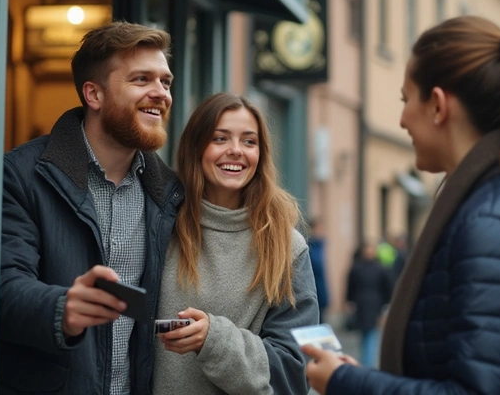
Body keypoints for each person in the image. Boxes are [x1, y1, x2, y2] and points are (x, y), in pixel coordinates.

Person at [303, 15, 500, 394]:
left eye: (405, 99)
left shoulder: (493, 225)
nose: (401, 120)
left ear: (437, 105)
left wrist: (346, 383)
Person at [0, 22, 184, 394]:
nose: (160, 93)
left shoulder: (172, 193)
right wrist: (62, 309)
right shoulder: (20, 175)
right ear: (93, 94)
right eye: (141, 79)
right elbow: (1, 287)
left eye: (165, 81)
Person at [152, 92, 319, 394]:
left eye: (249, 141)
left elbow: (296, 367)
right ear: (195, 148)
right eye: (220, 139)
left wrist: (214, 341)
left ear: (261, 154)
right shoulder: (159, 225)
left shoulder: (286, 246)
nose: (236, 151)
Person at [346, 243, 393, 368]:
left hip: (371, 305)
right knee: (367, 334)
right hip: (366, 305)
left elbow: (387, 289)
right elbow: (351, 287)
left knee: (370, 334)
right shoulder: (364, 268)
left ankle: (367, 363)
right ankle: (367, 363)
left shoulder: (375, 268)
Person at [307, 218, 330, 323]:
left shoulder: (320, 246)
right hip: (311, 291)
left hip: (320, 291)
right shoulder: (309, 247)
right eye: (319, 229)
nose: (321, 231)